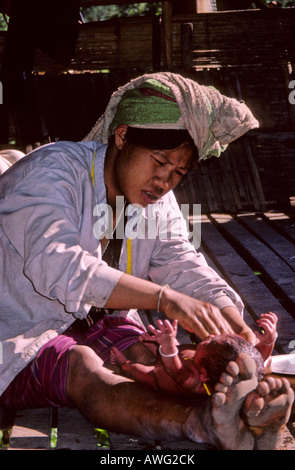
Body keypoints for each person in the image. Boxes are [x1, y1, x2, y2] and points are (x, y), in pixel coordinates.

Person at [0, 72, 293, 449]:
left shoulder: (156, 202)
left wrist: (229, 322)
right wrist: (164, 299)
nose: (164, 181)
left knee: (165, 362)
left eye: (178, 172)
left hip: (94, 321)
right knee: (81, 366)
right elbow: (59, 266)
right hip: (19, 329)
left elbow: (180, 260)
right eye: (159, 160)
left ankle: (247, 412)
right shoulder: (52, 173)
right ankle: (205, 425)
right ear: (122, 137)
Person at [110, 312, 277, 398]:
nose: (211, 336)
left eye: (211, 342)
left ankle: (122, 364)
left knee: (137, 370)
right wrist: (268, 342)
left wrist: (168, 345)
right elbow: (257, 360)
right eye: (219, 337)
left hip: (161, 375)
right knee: (173, 349)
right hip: (176, 356)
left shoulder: (191, 380)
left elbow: (174, 370)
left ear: (203, 376)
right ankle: (159, 348)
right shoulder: (215, 366)